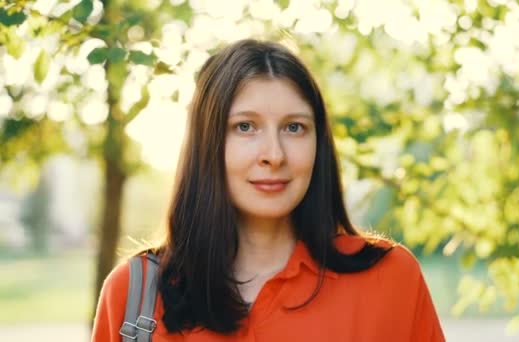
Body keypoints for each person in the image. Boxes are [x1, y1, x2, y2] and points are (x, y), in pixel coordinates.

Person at [92, 39, 445, 341]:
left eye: (294, 127)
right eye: (245, 126)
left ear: (318, 144)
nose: (274, 155)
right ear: (207, 143)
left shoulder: (391, 279)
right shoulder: (132, 294)